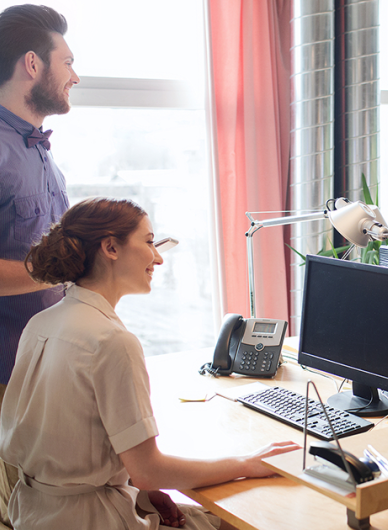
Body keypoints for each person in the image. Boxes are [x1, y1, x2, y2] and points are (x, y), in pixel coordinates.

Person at [0, 198, 300, 529]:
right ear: (111, 248)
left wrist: (140, 492)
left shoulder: (41, 324)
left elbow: (65, 446)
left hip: (35, 515)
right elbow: (148, 470)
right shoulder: (111, 341)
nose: (157, 257)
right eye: (148, 242)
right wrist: (245, 462)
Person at [0, 5, 79, 523]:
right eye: (67, 62)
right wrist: (60, 269)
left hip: (45, 368)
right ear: (33, 64)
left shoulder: (44, 155)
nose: (76, 75)